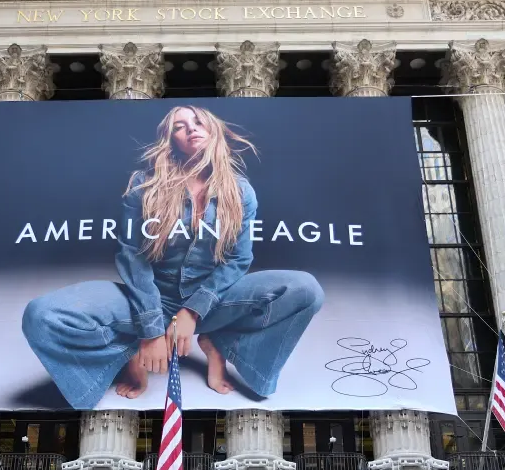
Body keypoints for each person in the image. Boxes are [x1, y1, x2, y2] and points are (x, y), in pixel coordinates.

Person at [22, 106, 324, 409]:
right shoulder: (144, 185)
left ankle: (219, 341)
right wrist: (150, 330)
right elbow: (133, 258)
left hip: (213, 302)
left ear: (213, 131)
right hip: (149, 297)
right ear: (171, 140)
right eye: (180, 126)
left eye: (198, 122)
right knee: (41, 315)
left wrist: (193, 311)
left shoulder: (241, 191)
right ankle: (127, 353)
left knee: (305, 290)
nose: (191, 128)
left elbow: (238, 260)